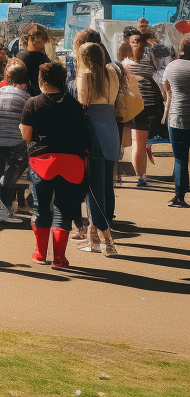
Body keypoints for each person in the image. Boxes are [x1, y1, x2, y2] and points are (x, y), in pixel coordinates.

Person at [21, 61, 92, 269]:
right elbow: (87, 140)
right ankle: (59, 257)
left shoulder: (32, 103)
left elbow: (26, 137)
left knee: (41, 208)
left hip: (42, 163)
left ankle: (40, 253)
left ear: (42, 81)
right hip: (71, 163)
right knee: (64, 210)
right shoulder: (75, 105)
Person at [72, 42, 120, 255]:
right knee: (104, 183)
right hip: (110, 129)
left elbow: (82, 104)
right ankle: (95, 238)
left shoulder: (85, 76)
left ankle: (106, 238)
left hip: (93, 132)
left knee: (93, 187)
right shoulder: (113, 74)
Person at [0, 61, 29, 222]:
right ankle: (6, 209)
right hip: (14, 140)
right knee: (12, 173)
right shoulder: (24, 96)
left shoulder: (0, 91)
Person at [122, 31, 162, 187]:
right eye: (135, 42)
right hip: (139, 107)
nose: (138, 45)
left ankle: (141, 174)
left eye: (139, 41)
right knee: (138, 142)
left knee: (138, 141)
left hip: (139, 107)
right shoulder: (133, 64)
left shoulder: (131, 64)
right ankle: (141, 175)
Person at [162, 37, 190, 208]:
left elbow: (166, 89)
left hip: (177, 118)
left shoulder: (171, 67)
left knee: (180, 159)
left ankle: (179, 196)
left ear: (180, 50)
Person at [19, 24, 51, 97]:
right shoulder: (37, 57)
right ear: (34, 40)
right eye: (43, 38)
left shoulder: (21, 55)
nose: (45, 42)